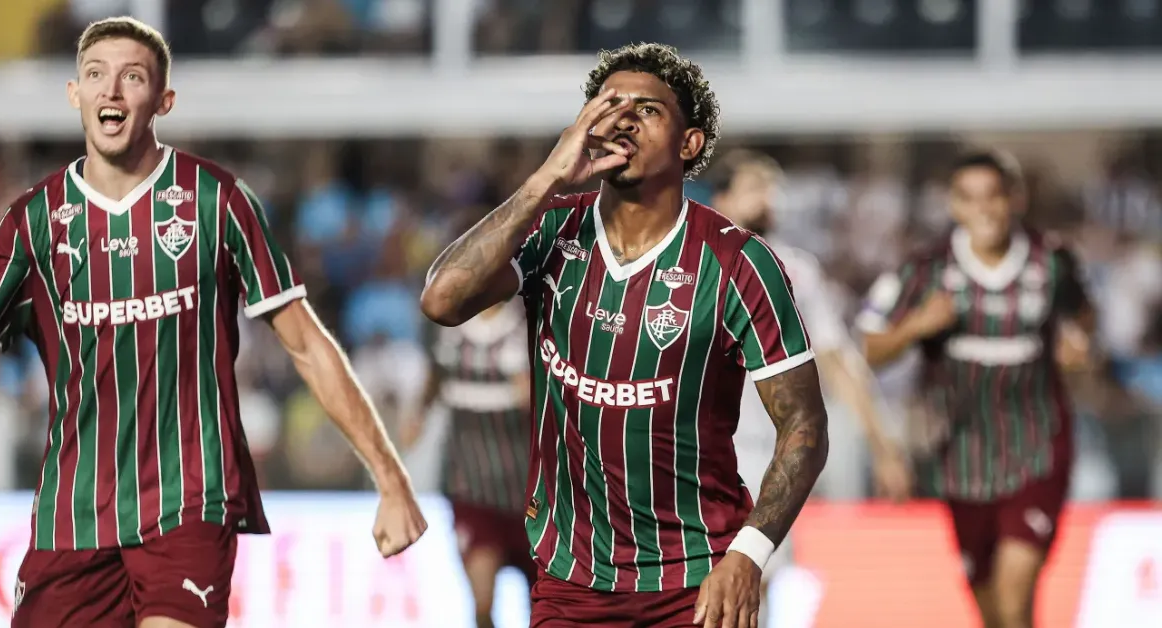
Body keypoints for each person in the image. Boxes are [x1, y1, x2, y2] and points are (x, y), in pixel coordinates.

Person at [0, 17, 426, 628]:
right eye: (96, 75)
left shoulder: (217, 202)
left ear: (163, 100)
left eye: (133, 77)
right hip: (70, 519)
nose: (111, 91)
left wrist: (391, 478)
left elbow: (308, 345)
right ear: (74, 95)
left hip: (188, 504)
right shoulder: (33, 220)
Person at [421, 43, 830, 628]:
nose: (623, 120)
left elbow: (805, 425)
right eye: (609, 106)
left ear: (689, 144)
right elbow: (442, 300)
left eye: (648, 109)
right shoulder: (552, 232)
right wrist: (547, 178)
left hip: (698, 576)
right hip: (572, 578)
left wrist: (750, 553)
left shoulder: (739, 264)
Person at [857, 150, 1094, 628]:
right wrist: (916, 326)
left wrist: (1078, 341)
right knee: (993, 611)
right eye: (970, 198)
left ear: (1015, 199)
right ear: (954, 205)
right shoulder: (925, 268)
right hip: (961, 458)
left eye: (994, 196)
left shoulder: (1052, 259)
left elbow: (1083, 313)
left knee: (1014, 594)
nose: (984, 209)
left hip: (1037, 450)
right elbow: (870, 345)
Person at [707, 151, 912, 624]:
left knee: (757, 580)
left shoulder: (795, 270)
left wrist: (881, 445)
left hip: (768, 453)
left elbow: (840, 360)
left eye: (773, 188)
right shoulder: (692, 265)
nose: (769, 198)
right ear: (723, 198)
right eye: (756, 187)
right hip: (703, 449)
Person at [402, 299, 536, 628]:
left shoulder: (525, 323)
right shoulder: (446, 330)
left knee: (542, 604)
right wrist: (418, 415)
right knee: (482, 603)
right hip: (470, 488)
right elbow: (433, 377)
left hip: (529, 496)